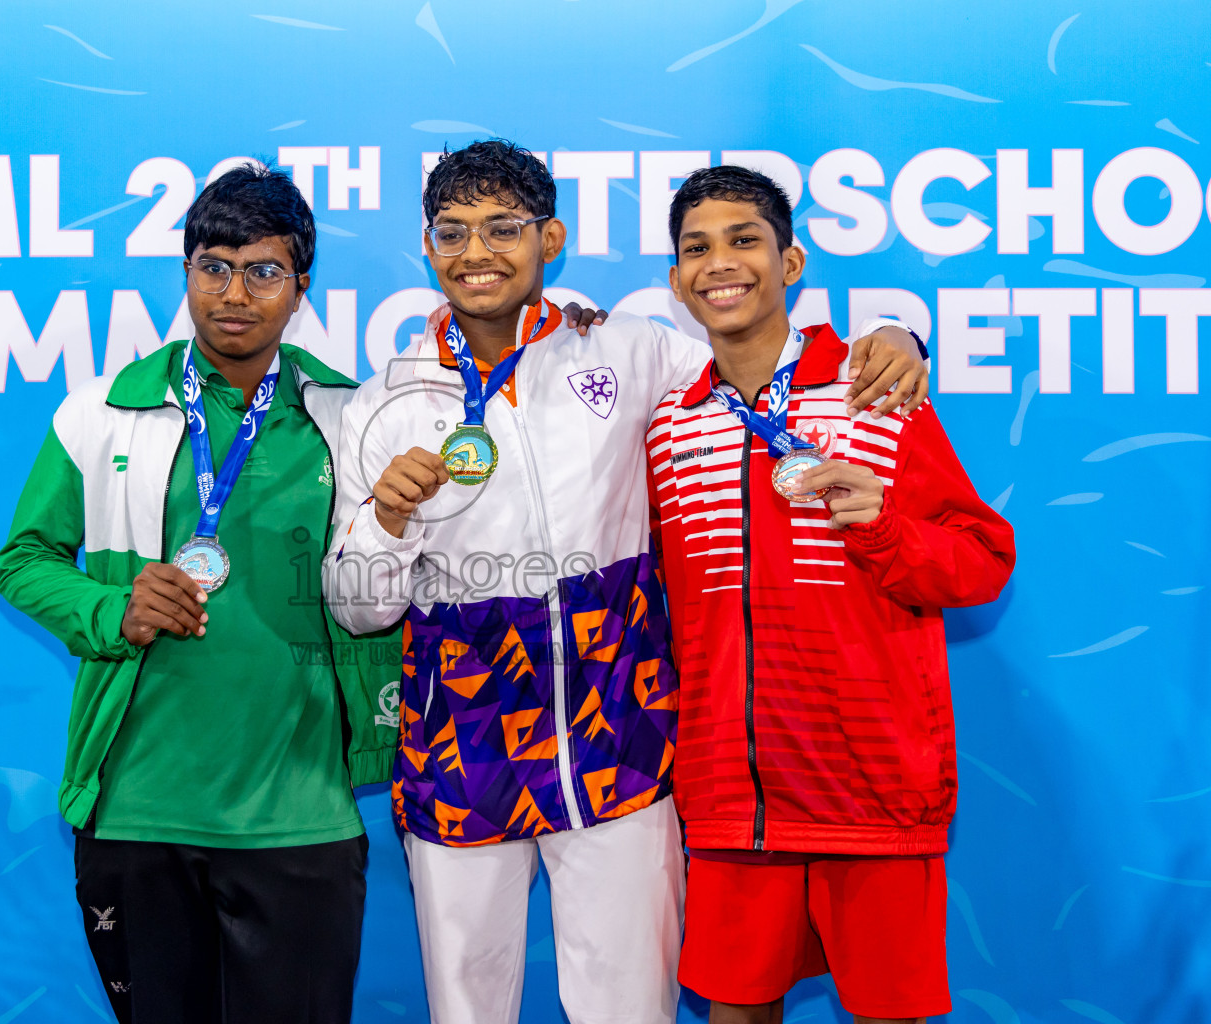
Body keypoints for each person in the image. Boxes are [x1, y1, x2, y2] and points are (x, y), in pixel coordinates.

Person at [322, 139, 929, 1024]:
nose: (476, 251)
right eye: (452, 232)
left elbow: (760, 367)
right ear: (427, 248)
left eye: (503, 228)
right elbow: (357, 606)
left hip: (621, 727)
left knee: (629, 1006)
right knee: (467, 1005)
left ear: (551, 237)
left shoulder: (634, 349)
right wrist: (385, 520)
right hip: (462, 736)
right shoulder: (381, 400)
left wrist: (895, 337)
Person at [0, 164, 401, 1024]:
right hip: (141, 814)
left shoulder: (354, 416)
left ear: (301, 288)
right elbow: (24, 559)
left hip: (304, 818)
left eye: (264, 271)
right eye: (213, 265)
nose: (235, 293)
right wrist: (112, 610)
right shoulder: (101, 412)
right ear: (185, 273)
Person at [645, 165, 1016, 1024]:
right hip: (731, 790)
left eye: (745, 240)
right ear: (674, 282)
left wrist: (885, 525)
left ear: (792, 261)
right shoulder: (668, 423)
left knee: (889, 1012)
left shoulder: (879, 393)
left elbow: (980, 561)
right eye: (696, 248)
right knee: (738, 1010)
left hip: (871, 782)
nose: (720, 264)